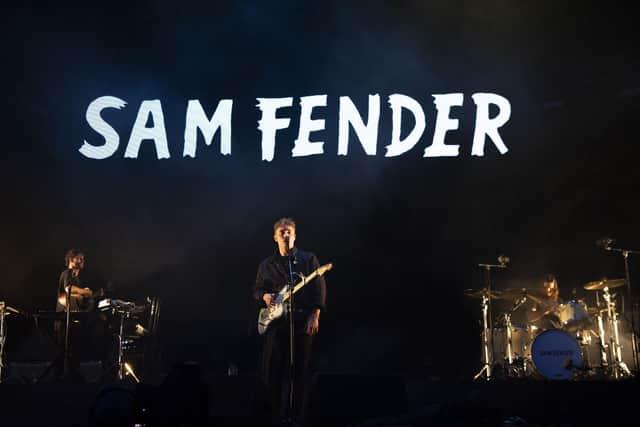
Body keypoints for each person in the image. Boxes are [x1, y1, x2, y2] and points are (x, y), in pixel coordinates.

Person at [253, 218, 327, 426]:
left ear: (295, 236)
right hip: (277, 324)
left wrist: (315, 314)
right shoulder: (266, 265)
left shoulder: (308, 260)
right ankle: (274, 418)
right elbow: (257, 290)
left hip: (302, 321)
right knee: (273, 372)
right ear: (275, 237)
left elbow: (318, 289)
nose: (286, 235)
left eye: (289, 232)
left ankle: (297, 419)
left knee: (300, 372)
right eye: (282, 232)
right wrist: (265, 296)